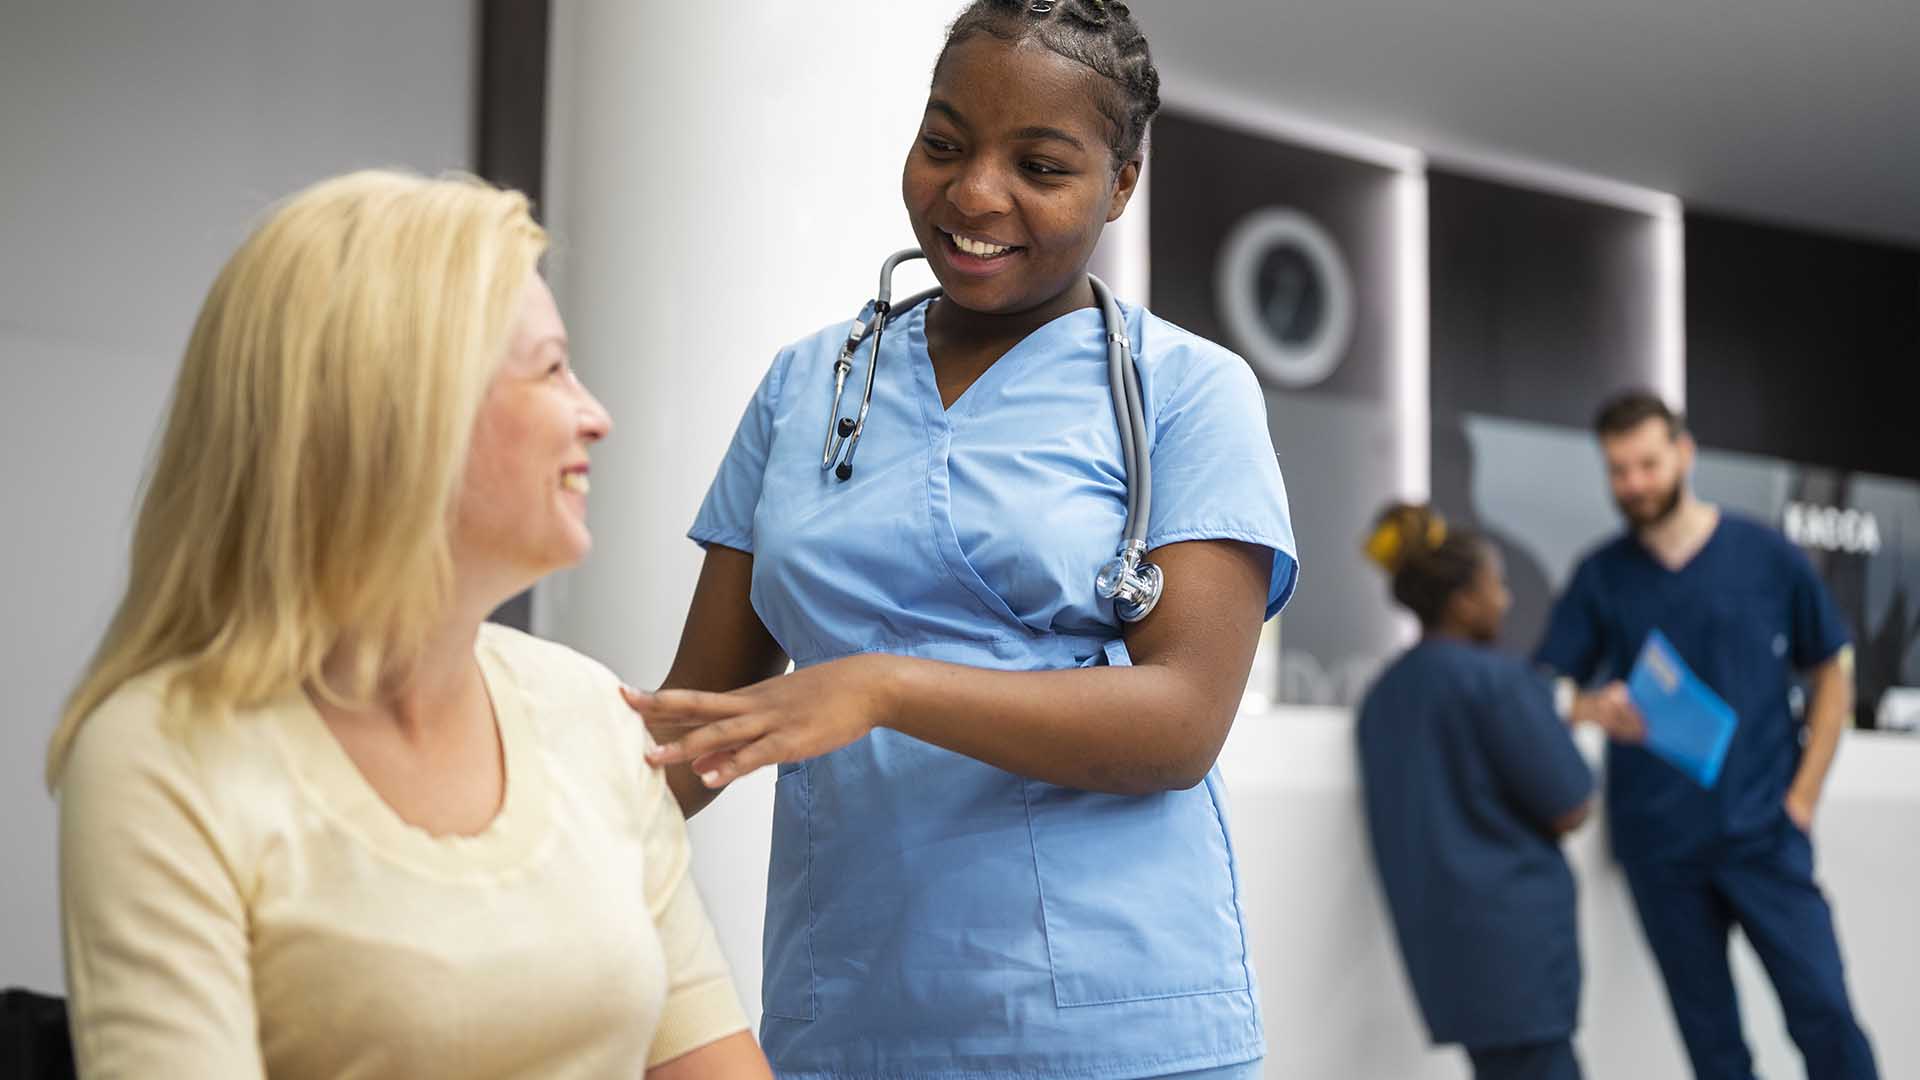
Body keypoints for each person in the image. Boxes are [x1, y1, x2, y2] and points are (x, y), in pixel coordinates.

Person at [629, 2, 1298, 1077]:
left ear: (1121, 183)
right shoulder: (808, 386)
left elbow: (1182, 723)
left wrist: (883, 687)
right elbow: (698, 720)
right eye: (944, 144)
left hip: (1113, 1026)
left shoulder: (1188, 391)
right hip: (851, 1014)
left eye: (1041, 166)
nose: (975, 194)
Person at [48, 171, 770, 1080]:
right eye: (552, 369)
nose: (596, 417)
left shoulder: (590, 712)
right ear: (404, 412)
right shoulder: (163, 756)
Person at [1535, 390, 1879, 1080]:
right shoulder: (1602, 576)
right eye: (1618, 470)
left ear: (1684, 454)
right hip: (1661, 848)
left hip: (1765, 835)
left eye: (1647, 464)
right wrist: (1591, 707)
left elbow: (1832, 670)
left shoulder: (1766, 556)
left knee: (1825, 1015)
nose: (1634, 484)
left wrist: (1803, 799)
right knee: (1712, 1044)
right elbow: (1544, 689)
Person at [1356, 504, 1595, 1080]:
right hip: (1518, 956)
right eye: (1496, 585)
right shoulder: (1498, 681)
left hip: (1447, 955)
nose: (1506, 600)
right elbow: (1571, 803)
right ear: (1463, 600)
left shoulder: (1383, 697)